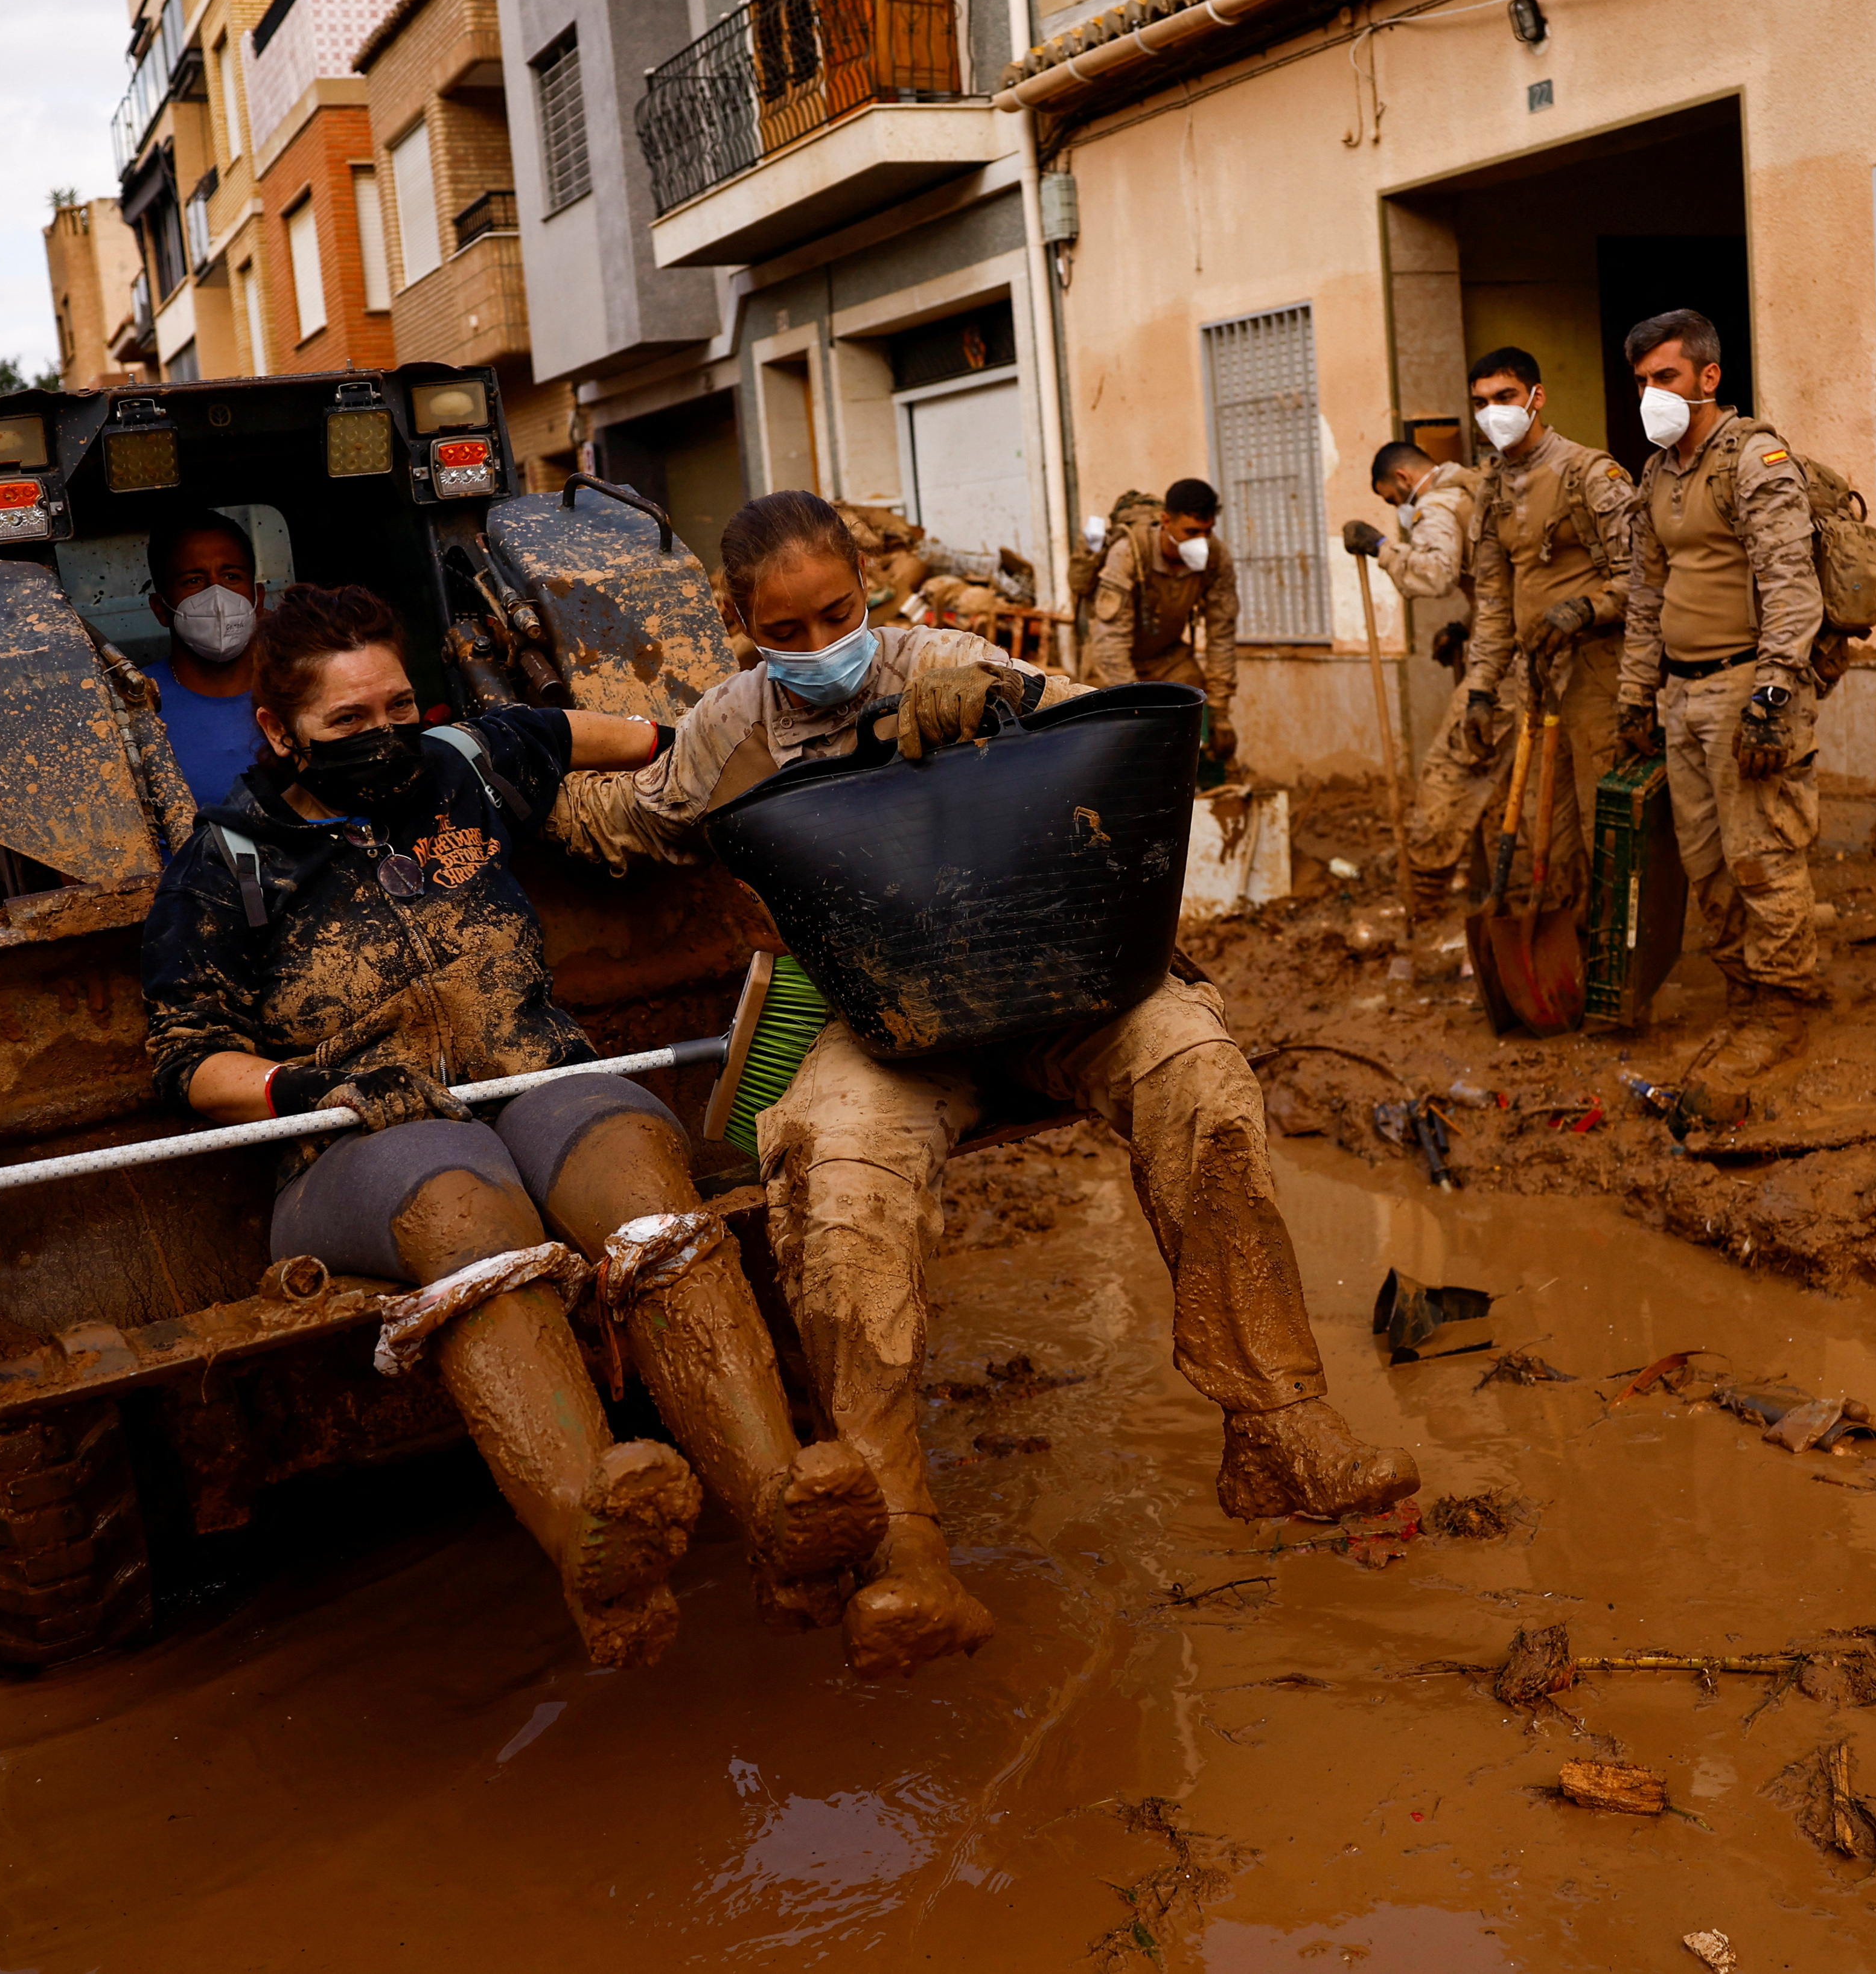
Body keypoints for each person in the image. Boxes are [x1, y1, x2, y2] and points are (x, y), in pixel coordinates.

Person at [550, 491, 1418, 1680]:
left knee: (1197, 1070)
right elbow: (635, 820)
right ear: (737, 622)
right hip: (892, 1021)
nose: (818, 648)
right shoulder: (727, 730)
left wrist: (1010, 705)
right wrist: (510, 765)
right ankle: (904, 1546)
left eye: (837, 614)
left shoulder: (946, 659)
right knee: (833, 1168)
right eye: (784, 630)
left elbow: (1132, 732)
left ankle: (1275, 1421)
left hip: (1057, 974)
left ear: (870, 592)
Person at [141, 584, 889, 1669]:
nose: (383, 736)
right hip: (358, 1143)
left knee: (638, 1165)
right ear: (277, 729)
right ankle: (594, 1538)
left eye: (397, 706)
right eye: (347, 722)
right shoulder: (227, 862)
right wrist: (307, 1089)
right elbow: (185, 1056)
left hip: (539, 1078)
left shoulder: (471, 761)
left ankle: (780, 1505)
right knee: (462, 1199)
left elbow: (633, 738)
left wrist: (765, 762)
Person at [1613, 307, 1830, 1011]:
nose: (1652, 394)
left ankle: (1786, 1002)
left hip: (1746, 687)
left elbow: (1790, 586)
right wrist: (1635, 694)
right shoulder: (1657, 473)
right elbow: (1647, 595)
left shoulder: (1754, 459)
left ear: (1709, 375)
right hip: (1680, 696)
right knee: (1704, 864)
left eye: (1666, 376)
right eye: (1642, 381)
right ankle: (1746, 990)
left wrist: (1773, 699)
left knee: (1762, 859)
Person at [1450, 348, 1639, 919]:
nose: (1492, 413)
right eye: (1480, 403)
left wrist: (1588, 607)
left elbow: (1645, 577)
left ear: (1537, 397)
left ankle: (1618, 966)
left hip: (1599, 679)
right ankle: (1566, 965)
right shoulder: (1491, 490)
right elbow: (1493, 604)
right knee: (1546, 834)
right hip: (1535, 683)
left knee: (1603, 825)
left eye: (1505, 398)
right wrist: (1481, 689)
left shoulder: (1589, 474)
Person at [1343, 441, 1506, 904]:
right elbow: (1499, 583)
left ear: (1402, 480)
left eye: (1392, 500)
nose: (1397, 508)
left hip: (1510, 659)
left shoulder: (1436, 503)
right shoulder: (1473, 486)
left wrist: (1382, 548)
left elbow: (1435, 575)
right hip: (1515, 639)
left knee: (1448, 770)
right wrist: (1466, 626)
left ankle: (1426, 892)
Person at [1088, 476, 1239, 763]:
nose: (1201, 542)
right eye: (1192, 531)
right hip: (1112, 664)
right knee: (1117, 747)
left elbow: (1222, 635)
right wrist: (1137, 710)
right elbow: (1110, 644)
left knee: (1196, 713)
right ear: (1166, 521)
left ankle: (1201, 794)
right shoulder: (1130, 553)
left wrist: (1220, 712)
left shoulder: (1216, 558)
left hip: (1168, 658)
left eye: (1207, 532)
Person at [139, 509, 269, 802]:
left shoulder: (302, 689)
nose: (218, 597)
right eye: (193, 581)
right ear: (160, 608)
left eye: (231, 576)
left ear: (258, 598)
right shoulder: (135, 704)